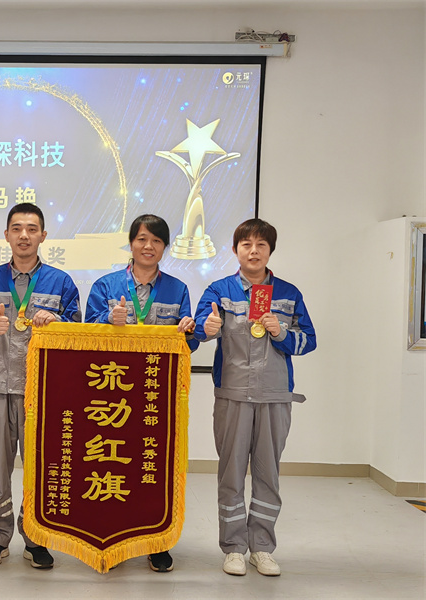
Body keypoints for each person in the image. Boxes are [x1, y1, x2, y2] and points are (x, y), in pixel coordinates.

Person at [193, 218, 316, 577]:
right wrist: (206, 328)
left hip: (275, 396)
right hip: (232, 394)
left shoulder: (288, 293)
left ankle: (262, 547)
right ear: (235, 250)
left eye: (261, 244)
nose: (253, 251)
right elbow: (199, 327)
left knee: (268, 474)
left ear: (270, 251)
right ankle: (233, 548)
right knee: (230, 473)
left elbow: (308, 340)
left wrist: (282, 334)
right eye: (246, 244)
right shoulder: (219, 290)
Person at [85, 213, 198, 573]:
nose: (149, 246)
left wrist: (189, 329)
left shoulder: (178, 289)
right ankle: (112, 538)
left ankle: (157, 542)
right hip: (111, 393)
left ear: (165, 247)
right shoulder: (105, 285)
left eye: (157, 241)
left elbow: (189, 343)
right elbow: (84, 334)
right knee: (112, 465)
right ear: (131, 243)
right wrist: (108, 321)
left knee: (153, 467)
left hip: (155, 395)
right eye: (142, 239)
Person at [0, 204, 81, 569]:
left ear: (43, 236)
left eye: (32, 229)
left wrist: (58, 320)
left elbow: (79, 333)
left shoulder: (61, 282)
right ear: (6, 235)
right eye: (16, 228)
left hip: (42, 393)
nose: (24, 235)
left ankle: (36, 537)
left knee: (40, 467)